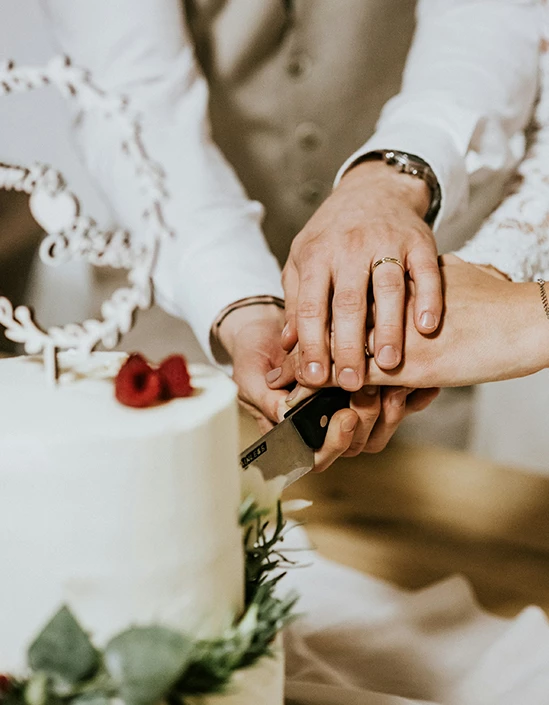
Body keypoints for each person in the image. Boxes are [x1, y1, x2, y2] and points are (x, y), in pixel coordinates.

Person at [42, 0, 539, 466]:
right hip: (175, 286)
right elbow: (129, 95)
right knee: (181, 518)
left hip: (411, 290)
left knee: (406, 527)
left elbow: (487, 17)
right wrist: (239, 306)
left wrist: (389, 181)